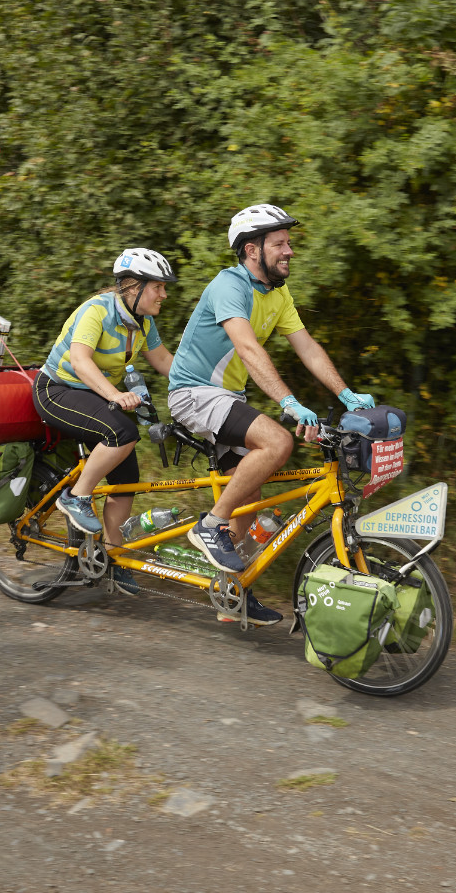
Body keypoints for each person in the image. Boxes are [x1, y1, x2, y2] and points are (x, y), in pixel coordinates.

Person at [167, 204, 378, 626]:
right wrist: (288, 402)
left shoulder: (278, 294)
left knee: (250, 499)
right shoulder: (230, 286)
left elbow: (307, 347)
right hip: (194, 393)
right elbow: (248, 348)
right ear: (251, 250)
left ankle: (231, 594)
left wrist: (347, 393)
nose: (289, 251)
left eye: (288, 243)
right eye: (280, 244)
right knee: (278, 442)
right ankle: (209, 525)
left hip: (228, 397)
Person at [34, 248, 176, 594]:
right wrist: (114, 396)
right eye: (157, 287)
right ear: (133, 287)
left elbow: (164, 361)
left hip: (91, 393)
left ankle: (112, 559)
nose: (164, 294)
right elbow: (81, 362)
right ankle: (76, 497)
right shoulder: (96, 311)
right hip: (55, 390)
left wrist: (206, 386)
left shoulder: (143, 323)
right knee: (123, 432)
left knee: (127, 478)